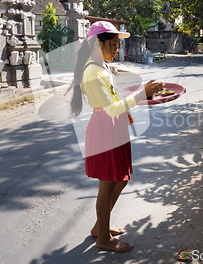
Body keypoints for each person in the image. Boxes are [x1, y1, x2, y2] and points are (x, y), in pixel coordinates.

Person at [68, 21, 163, 253]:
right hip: (105, 129)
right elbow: (110, 109)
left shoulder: (103, 68)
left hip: (114, 127)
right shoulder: (92, 72)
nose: (117, 49)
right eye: (113, 44)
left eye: (118, 45)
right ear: (97, 44)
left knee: (121, 179)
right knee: (107, 184)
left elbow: (114, 97)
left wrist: (142, 93)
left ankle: (100, 226)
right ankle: (102, 238)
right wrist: (142, 94)